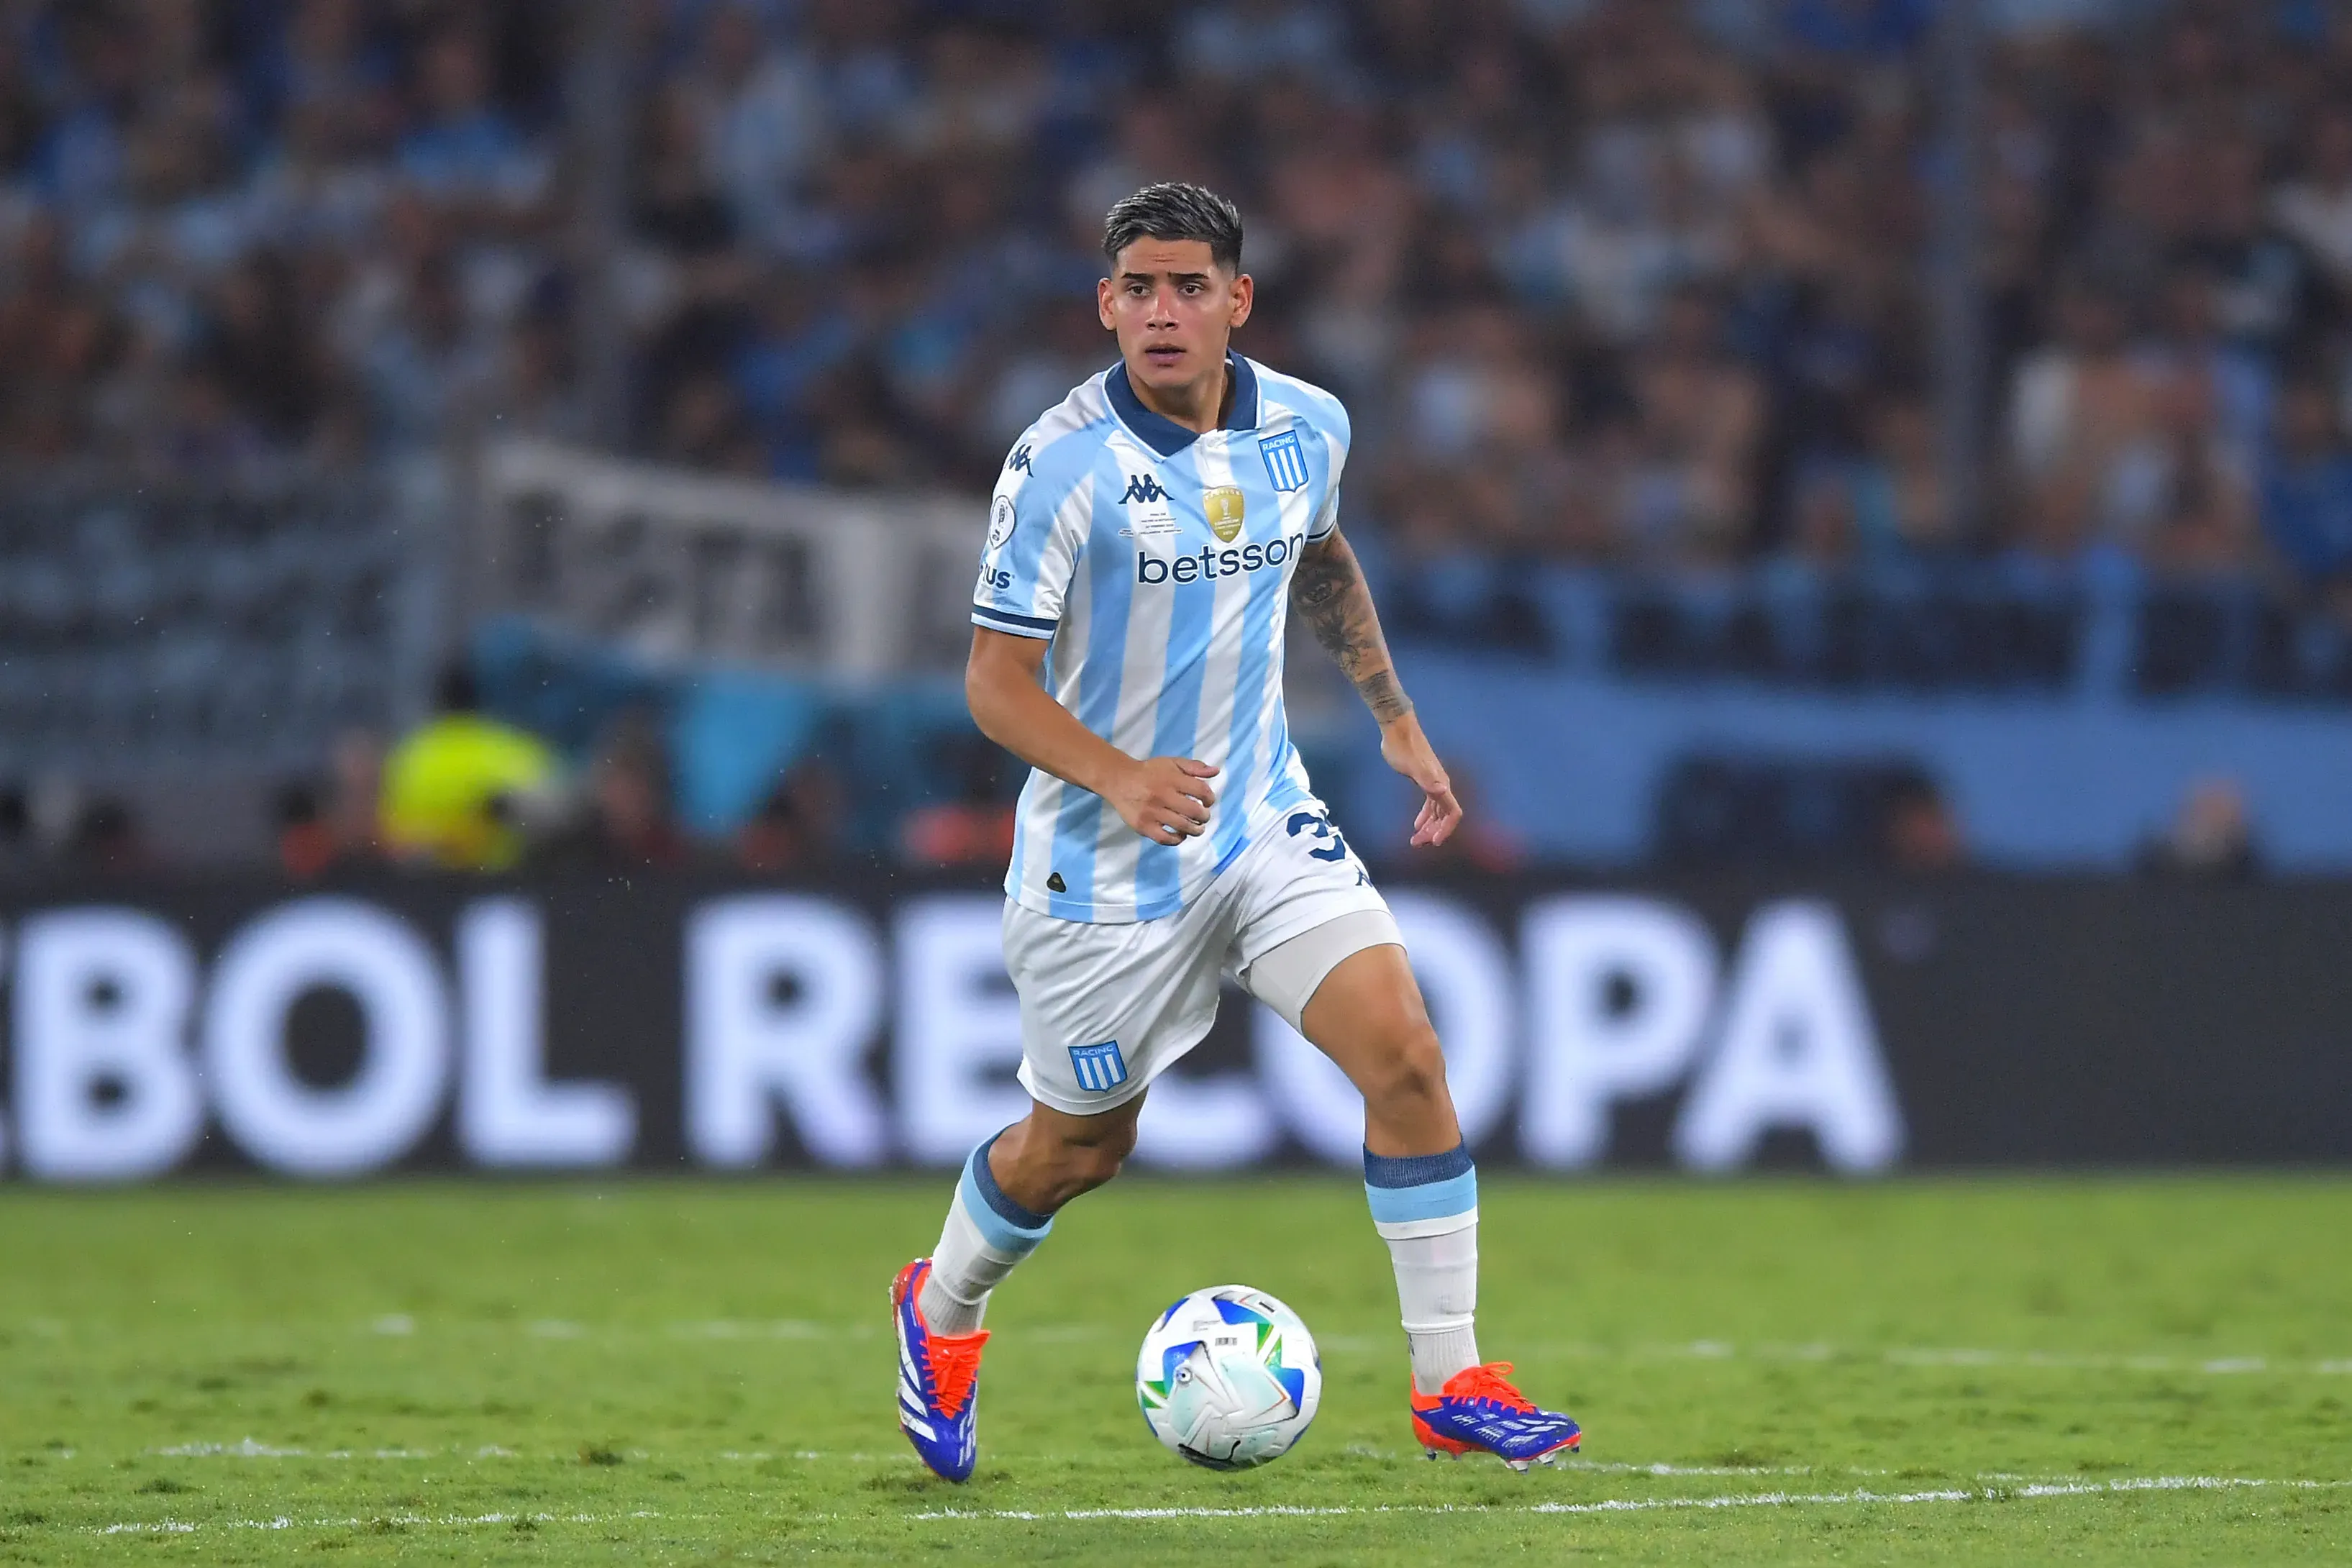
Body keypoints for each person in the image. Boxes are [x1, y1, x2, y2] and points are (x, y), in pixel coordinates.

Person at [890, 183, 1582, 1482]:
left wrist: (1392, 715)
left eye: (1188, 286)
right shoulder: (1059, 467)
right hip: (1102, 871)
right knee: (1079, 1151)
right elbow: (992, 684)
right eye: (1137, 289)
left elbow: (1317, 555)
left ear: (1236, 300)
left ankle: (1452, 1383)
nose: (1162, 311)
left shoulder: (1308, 424)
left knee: (1409, 1056)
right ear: (1104, 305)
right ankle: (942, 1314)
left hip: (1261, 822)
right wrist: (1120, 779)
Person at [379, 663, 561, 872]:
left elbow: (390, 832)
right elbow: (551, 808)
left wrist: (443, 838)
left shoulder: (413, 752)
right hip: (499, 877)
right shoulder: (509, 746)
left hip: (427, 879)